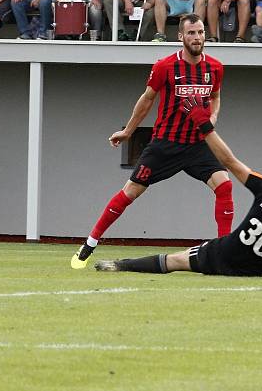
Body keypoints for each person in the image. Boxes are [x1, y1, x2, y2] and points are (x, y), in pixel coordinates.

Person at [93, 95, 262, 282]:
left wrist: (204, 124)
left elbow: (229, 160)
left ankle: (121, 265)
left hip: (224, 254)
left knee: (175, 261)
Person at [70, 14, 234, 268]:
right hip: (165, 144)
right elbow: (147, 100)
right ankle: (90, 242)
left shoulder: (215, 67)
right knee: (131, 192)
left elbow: (216, 96)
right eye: (191, 33)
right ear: (181, 37)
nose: (197, 38)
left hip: (197, 144)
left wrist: (213, 117)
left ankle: (225, 252)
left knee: (224, 186)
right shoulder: (165, 66)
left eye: (200, 32)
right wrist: (128, 131)